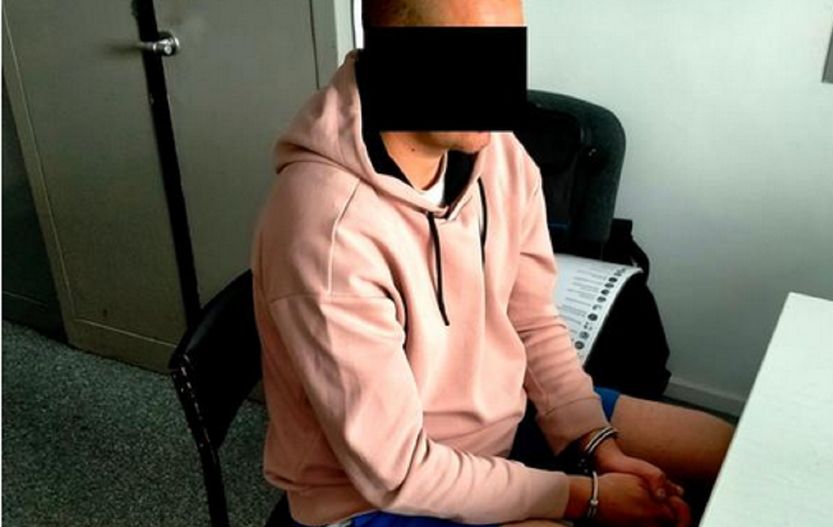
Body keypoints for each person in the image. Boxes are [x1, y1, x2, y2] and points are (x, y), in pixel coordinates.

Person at [249, 1, 734, 526]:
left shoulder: (496, 151)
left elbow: (532, 318)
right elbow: (397, 472)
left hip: (497, 421)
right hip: (372, 495)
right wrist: (586, 496)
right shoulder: (327, 231)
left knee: (730, 450)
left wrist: (595, 440)